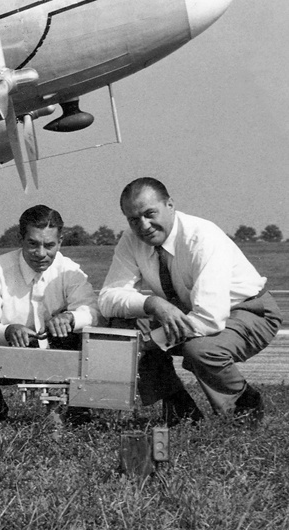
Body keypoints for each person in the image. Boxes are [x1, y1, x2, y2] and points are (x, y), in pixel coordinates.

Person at [97, 177, 279, 424]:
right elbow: (108, 298)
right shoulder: (130, 240)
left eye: (151, 213)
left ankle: (245, 408)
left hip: (247, 310)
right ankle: (182, 413)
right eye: (133, 219)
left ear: (170, 204)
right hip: (187, 312)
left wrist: (151, 341)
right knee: (122, 326)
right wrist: (153, 304)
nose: (144, 225)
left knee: (200, 350)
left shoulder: (202, 237)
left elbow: (209, 319)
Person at [0, 204, 100, 422]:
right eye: (33, 244)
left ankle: (77, 409)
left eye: (49, 245)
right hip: (11, 349)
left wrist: (71, 318)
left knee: (87, 340)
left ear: (60, 242)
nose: (41, 253)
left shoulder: (69, 270)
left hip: (55, 346)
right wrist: (8, 331)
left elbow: (94, 310)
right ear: (20, 238)